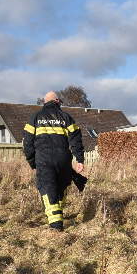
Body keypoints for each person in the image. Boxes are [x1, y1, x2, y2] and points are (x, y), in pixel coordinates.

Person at [23, 91, 85, 231]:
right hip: (63, 159)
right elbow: (76, 139)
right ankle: (58, 215)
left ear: (45, 102)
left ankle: (56, 227)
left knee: (48, 188)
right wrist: (79, 159)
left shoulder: (35, 117)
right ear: (57, 101)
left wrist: (33, 161)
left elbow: (27, 143)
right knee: (61, 187)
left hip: (44, 160)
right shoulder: (66, 118)